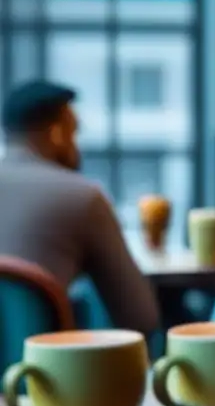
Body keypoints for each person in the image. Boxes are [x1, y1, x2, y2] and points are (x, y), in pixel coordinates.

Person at [0, 81, 160, 334]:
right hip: (38, 371)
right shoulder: (82, 197)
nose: (76, 147)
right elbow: (141, 318)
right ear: (57, 133)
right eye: (74, 133)